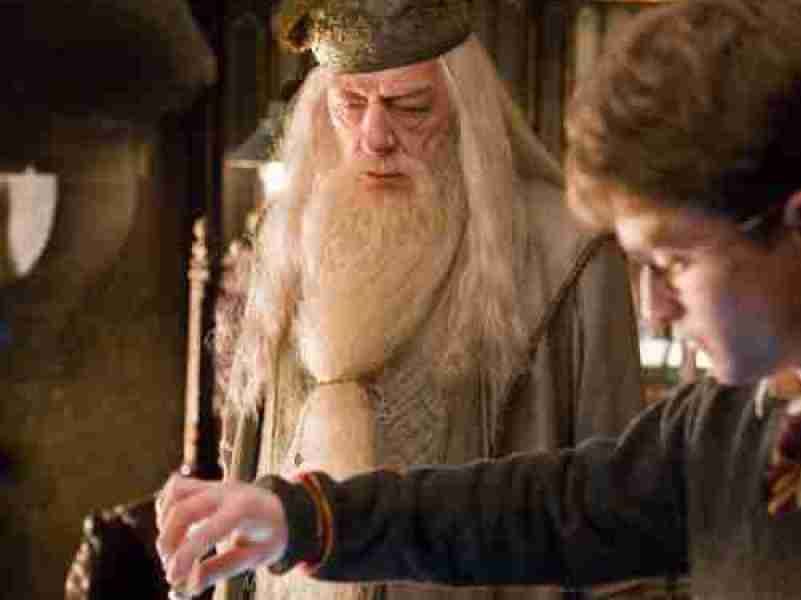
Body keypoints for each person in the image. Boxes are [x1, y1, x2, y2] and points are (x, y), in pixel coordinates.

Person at [158, 0, 801, 598]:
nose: (649, 311)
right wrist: (295, 516)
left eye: (675, 263)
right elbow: (540, 505)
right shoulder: (736, 424)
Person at [207, 1, 647, 600]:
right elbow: (248, 456)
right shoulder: (284, 236)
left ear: (467, 110)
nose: (375, 137)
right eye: (350, 104)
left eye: (411, 106)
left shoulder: (571, 256)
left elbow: (621, 515)